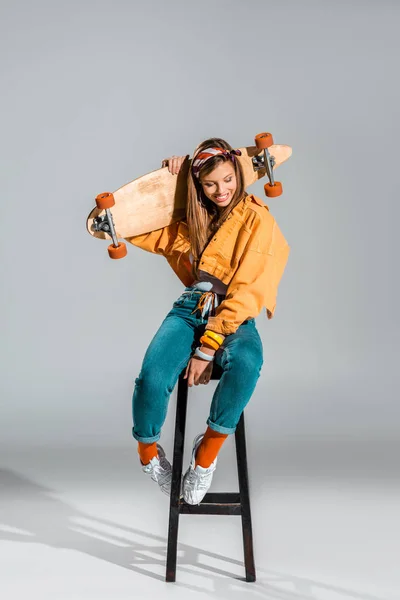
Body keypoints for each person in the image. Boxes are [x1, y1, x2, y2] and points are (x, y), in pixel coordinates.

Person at [125, 137, 290, 505]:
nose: (221, 190)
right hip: (190, 308)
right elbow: (142, 229)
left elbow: (248, 290)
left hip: (233, 315)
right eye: (210, 183)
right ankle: (148, 454)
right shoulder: (194, 217)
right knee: (152, 376)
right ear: (199, 185)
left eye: (228, 179)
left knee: (247, 363)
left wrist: (207, 347)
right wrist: (168, 183)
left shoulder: (257, 218)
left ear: (239, 175)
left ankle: (206, 456)